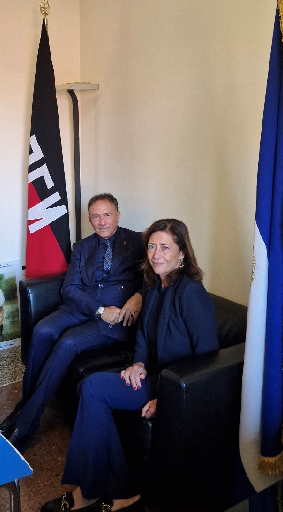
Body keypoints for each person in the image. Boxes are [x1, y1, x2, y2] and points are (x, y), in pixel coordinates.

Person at [41, 218, 219, 512]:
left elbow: (207, 360)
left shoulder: (191, 292)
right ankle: (114, 486)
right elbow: (144, 336)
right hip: (154, 376)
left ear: (182, 253)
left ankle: (93, 490)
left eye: (165, 247)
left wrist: (168, 399)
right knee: (91, 386)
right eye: (152, 246)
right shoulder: (153, 283)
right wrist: (138, 362)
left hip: (178, 387)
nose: (156, 254)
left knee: (94, 388)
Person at [0, 193, 145, 452]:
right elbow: (69, 288)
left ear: (118, 215)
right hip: (82, 309)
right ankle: (24, 404)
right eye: (96, 217)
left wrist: (138, 296)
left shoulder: (137, 242)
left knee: (67, 343)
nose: (102, 222)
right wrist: (98, 309)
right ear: (89, 219)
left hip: (114, 320)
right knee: (42, 331)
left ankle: (26, 424)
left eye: (107, 215)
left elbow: (156, 275)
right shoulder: (82, 247)